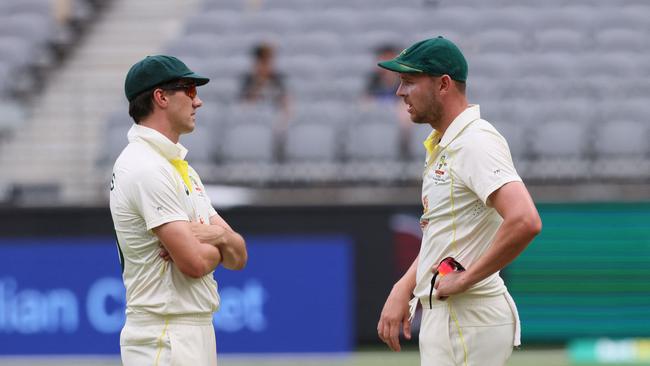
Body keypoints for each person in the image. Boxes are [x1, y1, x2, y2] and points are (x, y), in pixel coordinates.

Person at [376, 37, 542, 366]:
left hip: (466, 318)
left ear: (444, 85)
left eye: (409, 82)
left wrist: (465, 278)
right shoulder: (447, 143)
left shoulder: (474, 143)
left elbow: (525, 220)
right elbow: (446, 237)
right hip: (454, 317)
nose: (399, 92)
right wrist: (405, 286)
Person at [110, 55, 248, 366]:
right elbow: (195, 263)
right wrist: (221, 242)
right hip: (165, 336)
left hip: (186, 331)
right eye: (188, 90)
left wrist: (215, 237)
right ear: (160, 97)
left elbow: (240, 255)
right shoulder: (146, 167)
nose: (197, 102)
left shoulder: (175, 167)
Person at [239, 42, 289, 112]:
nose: (266, 66)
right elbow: (243, 107)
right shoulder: (247, 81)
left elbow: (286, 107)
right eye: (263, 62)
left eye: (269, 62)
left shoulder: (278, 82)